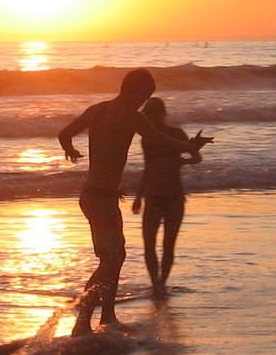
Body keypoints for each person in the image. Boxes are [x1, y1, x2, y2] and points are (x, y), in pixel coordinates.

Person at [59, 69, 212, 336]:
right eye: (144, 96)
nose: (144, 103)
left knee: (116, 257)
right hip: (101, 201)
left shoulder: (97, 109)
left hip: (94, 196)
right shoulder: (131, 115)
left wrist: (70, 150)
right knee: (110, 260)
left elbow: (64, 134)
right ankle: (81, 321)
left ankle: (108, 317)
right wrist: (190, 147)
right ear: (136, 92)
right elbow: (161, 140)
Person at [131, 97, 203, 298]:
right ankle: (155, 284)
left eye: (152, 113)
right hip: (153, 196)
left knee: (168, 245)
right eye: (147, 114)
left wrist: (182, 160)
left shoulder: (176, 133)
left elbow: (196, 158)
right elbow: (147, 169)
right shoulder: (146, 139)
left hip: (175, 196)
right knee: (148, 244)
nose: (149, 117)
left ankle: (162, 283)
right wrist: (138, 197)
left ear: (161, 114)